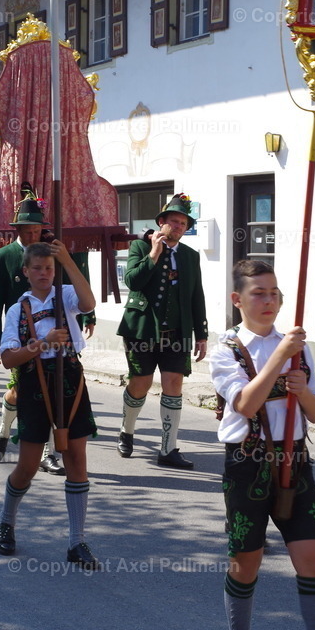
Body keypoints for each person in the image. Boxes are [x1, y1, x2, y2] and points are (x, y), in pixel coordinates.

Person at [210, 259, 315, 630]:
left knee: (313, 559)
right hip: (247, 462)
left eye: (274, 292)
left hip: (295, 460)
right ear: (237, 299)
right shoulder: (226, 349)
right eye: (258, 293)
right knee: (247, 562)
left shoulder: (297, 346)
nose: (269, 300)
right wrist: (279, 357)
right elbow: (244, 403)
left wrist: (303, 390)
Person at [0, 241, 99, 568]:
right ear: (25, 272)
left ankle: (76, 542)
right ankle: (6, 522)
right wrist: (42, 344)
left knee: (76, 459)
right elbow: (9, 358)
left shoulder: (65, 294)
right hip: (34, 382)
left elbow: (89, 301)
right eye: (37, 268)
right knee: (27, 466)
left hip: (69, 377)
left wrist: (66, 258)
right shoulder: (16, 310)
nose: (44, 274)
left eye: (49, 268)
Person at [116, 193, 208, 469]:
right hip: (142, 330)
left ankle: (168, 449)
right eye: (174, 222)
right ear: (161, 223)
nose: (179, 226)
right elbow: (133, 281)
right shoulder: (140, 248)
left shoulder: (190, 256)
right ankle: (126, 431)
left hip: (176, 333)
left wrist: (201, 334)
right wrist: (154, 253)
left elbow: (196, 296)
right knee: (140, 383)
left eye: (183, 223)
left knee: (174, 384)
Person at [0, 195, 65, 473]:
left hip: (53, 334)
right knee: (19, 392)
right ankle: (3, 432)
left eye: (37, 230)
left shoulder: (49, 255)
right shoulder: (2, 257)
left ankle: (48, 452)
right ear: (17, 230)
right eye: (27, 230)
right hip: (19, 337)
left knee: (53, 392)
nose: (33, 235)